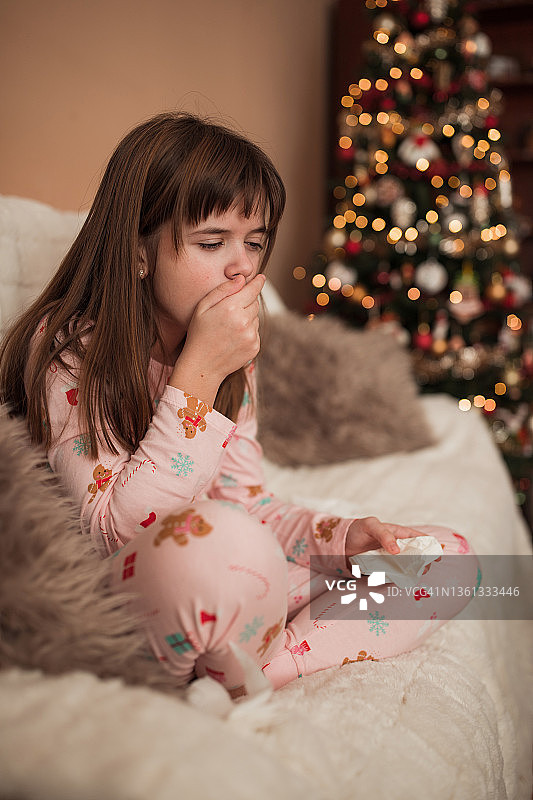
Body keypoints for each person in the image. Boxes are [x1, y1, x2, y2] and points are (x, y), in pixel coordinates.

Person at [0, 112, 477, 698]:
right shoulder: (69, 352)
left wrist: (340, 537)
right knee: (220, 544)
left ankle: (263, 668)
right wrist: (199, 373)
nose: (242, 267)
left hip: (231, 577)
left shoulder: (233, 361)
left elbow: (250, 505)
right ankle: (227, 646)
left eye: (254, 243)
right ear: (139, 252)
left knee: (447, 557)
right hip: (136, 597)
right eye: (211, 243)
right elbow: (115, 535)